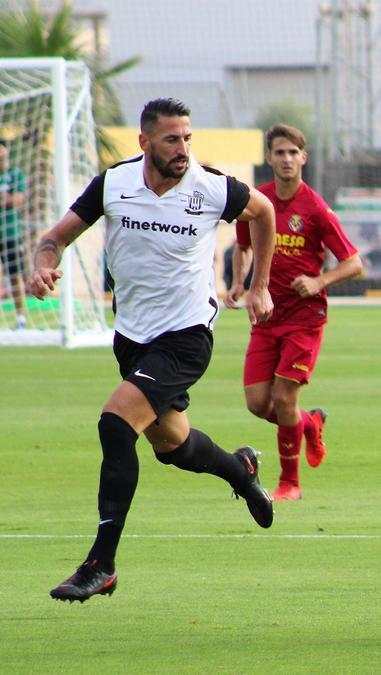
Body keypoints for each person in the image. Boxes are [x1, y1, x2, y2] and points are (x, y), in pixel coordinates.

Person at [29, 98, 278, 602]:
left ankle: (101, 564)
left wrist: (259, 284)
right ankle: (241, 468)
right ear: (144, 142)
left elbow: (264, 211)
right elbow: (55, 239)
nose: (183, 148)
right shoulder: (114, 184)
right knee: (172, 446)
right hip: (133, 338)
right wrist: (41, 265)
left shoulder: (210, 188)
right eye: (171, 139)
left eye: (187, 137)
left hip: (186, 336)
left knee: (115, 423)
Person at [226, 124, 362, 500]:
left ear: (304, 157)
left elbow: (354, 263)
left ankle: (290, 483)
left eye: (293, 153)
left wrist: (319, 282)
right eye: (279, 153)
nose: (286, 159)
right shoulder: (257, 201)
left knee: (284, 399)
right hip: (267, 315)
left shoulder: (315, 208)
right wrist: (239, 283)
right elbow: (242, 246)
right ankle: (309, 423)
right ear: (269, 158)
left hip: (304, 318)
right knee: (258, 403)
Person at [0, 140, 29, 328]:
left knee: (14, 274)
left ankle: (21, 318)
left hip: (10, 232)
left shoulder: (15, 175)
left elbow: (18, 200)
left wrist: (7, 199)